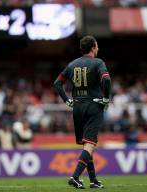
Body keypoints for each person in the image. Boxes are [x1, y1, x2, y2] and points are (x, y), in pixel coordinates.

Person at [53, 35, 111, 189]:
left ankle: (93, 180)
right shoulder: (98, 63)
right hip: (93, 106)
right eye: (97, 46)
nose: (98, 48)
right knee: (90, 144)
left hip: (77, 107)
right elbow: (106, 80)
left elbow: (57, 84)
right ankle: (75, 176)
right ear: (93, 47)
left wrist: (67, 100)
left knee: (87, 144)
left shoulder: (72, 64)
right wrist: (106, 98)